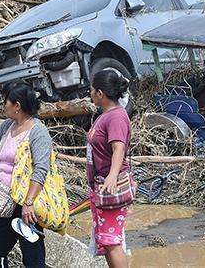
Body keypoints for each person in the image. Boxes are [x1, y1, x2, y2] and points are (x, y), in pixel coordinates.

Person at [0, 82, 53, 268]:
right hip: (6, 202)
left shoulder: (38, 132)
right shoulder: (8, 126)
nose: (4, 106)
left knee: (33, 258)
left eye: (6, 102)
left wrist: (28, 203)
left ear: (17, 106)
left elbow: (41, 170)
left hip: (26, 204)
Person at [87, 70, 132, 268]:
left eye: (91, 90)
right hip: (101, 186)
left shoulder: (116, 117)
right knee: (106, 242)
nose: (90, 94)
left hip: (111, 186)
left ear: (100, 93)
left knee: (112, 241)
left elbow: (118, 147)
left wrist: (112, 176)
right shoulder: (104, 116)